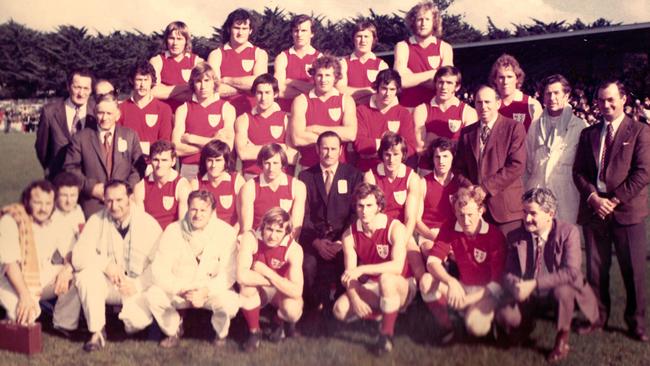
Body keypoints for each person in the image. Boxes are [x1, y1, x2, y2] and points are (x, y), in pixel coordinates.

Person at [572, 80, 650, 342]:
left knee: (634, 271)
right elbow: (579, 172)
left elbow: (643, 173)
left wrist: (614, 200)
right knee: (595, 269)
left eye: (610, 99)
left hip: (627, 211)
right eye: (601, 100)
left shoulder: (640, 131)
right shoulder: (589, 133)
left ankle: (636, 323)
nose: (605, 105)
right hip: (595, 211)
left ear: (624, 99)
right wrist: (594, 198)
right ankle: (597, 317)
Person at [497, 188, 599, 362]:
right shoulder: (515, 236)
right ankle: (525, 325)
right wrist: (516, 285)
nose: (527, 219)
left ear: (550, 214)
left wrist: (534, 284)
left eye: (533, 214)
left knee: (563, 291)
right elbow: (508, 272)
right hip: (528, 294)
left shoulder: (568, 232)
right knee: (506, 315)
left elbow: (572, 272)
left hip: (557, 291)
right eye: (525, 212)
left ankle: (562, 338)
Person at [71, 180, 161, 351]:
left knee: (134, 324)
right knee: (86, 275)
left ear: (130, 199)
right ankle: (96, 332)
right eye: (109, 200)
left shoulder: (147, 223)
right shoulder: (96, 220)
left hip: (137, 287)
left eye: (119, 200)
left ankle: (144, 320)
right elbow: (78, 256)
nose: (114, 206)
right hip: (110, 285)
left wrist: (137, 284)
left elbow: (159, 264)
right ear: (104, 200)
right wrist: (106, 265)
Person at [146, 190, 239, 348]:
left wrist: (206, 291)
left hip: (208, 291)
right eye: (193, 209)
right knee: (153, 295)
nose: (197, 215)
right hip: (182, 289)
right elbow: (159, 269)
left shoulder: (227, 233)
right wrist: (179, 288)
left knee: (229, 302)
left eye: (203, 210)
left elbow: (229, 274)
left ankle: (220, 334)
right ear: (187, 209)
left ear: (213, 212)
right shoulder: (173, 230)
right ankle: (174, 329)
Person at [332, 183, 414, 354]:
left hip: (401, 285)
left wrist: (362, 270)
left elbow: (397, 267)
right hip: (372, 285)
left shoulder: (395, 228)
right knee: (339, 310)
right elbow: (350, 275)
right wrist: (355, 299)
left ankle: (386, 335)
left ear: (379, 206)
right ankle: (384, 312)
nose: (364, 210)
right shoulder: (349, 235)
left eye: (369, 205)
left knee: (386, 279)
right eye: (360, 205)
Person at [419, 186, 505, 342]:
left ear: (481, 211)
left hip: (486, 292)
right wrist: (450, 281)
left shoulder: (494, 235)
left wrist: (467, 301)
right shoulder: (450, 227)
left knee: (475, 327)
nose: (465, 221)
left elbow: (496, 282)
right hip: (463, 287)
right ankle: (449, 326)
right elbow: (432, 262)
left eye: (470, 215)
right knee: (426, 281)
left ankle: (484, 319)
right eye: (461, 215)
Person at [0, 180, 81, 332]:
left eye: (48, 203)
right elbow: (10, 266)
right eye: (37, 203)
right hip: (9, 280)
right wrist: (24, 296)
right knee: (25, 317)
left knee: (76, 274)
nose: (43, 209)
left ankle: (63, 324)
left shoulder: (56, 220)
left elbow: (70, 253)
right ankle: (19, 309)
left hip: (40, 275)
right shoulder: (11, 221)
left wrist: (67, 270)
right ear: (27, 201)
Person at [298, 131, 363, 309]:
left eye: (333, 149)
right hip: (315, 238)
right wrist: (317, 242)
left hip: (343, 239)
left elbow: (356, 213)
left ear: (341, 150)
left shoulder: (353, 175)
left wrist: (342, 241)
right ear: (317, 149)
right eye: (325, 148)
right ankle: (313, 307)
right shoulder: (306, 177)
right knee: (307, 265)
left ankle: (340, 303)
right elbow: (303, 214)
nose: (329, 153)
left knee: (348, 263)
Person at [454, 85, 526, 237]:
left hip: (506, 211)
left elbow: (516, 166)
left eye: (488, 102)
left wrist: (485, 188)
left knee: (510, 259)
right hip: (476, 210)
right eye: (479, 102)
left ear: (498, 103)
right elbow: (458, 169)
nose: (483, 107)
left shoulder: (514, 128)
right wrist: (471, 188)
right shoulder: (468, 133)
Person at [64, 92, 145, 217]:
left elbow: (139, 168)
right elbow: (70, 169)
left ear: (117, 115)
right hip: (92, 205)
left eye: (109, 113)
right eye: (101, 113)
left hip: (123, 203)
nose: (104, 118)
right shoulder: (81, 138)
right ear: (95, 113)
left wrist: (124, 189)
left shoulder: (130, 136)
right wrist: (91, 188)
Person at [238, 207, 304, 351]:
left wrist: (266, 272)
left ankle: (278, 321)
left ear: (287, 233)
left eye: (279, 231)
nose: (272, 236)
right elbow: (241, 275)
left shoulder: (294, 249)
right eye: (269, 229)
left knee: (292, 310)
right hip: (263, 286)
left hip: (279, 290)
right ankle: (254, 332)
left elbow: (297, 291)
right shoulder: (251, 238)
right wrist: (275, 280)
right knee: (246, 288)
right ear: (262, 227)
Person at [525, 74, 587, 224]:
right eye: (548, 93)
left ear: (567, 95)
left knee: (565, 241)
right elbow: (526, 164)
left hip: (566, 197)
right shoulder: (535, 126)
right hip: (538, 195)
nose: (552, 98)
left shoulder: (580, 126)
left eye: (556, 93)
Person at [290, 55, 357, 168]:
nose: (323, 80)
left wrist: (315, 129)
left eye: (328, 75)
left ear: (335, 77)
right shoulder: (301, 101)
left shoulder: (346, 100)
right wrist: (334, 140)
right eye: (319, 75)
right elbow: (297, 138)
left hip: (339, 168)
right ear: (314, 77)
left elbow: (350, 134)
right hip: (309, 168)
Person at [172, 62, 235, 179]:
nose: (203, 86)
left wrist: (192, 139)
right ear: (192, 84)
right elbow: (176, 149)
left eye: (207, 81)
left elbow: (227, 146)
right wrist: (213, 143)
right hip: (190, 167)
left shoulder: (227, 108)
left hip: (217, 167)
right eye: (198, 81)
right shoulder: (183, 109)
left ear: (214, 82)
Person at [413, 66, 477, 174]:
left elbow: (468, 149)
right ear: (435, 84)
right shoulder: (421, 110)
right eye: (440, 82)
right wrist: (453, 144)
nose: (444, 87)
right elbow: (419, 149)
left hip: (455, 171)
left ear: (457, 87)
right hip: (427, 171)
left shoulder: (468, 112)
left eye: (449, 83)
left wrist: (433, 139)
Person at [235, 74, 298, 179]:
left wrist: (253, 150)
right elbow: (243, 153)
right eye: (259, 93)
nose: (263, 98)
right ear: (254, 94)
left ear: (276, 94)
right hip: (252, 177)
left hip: (281, 178)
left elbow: (292, 157)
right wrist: (279, 147)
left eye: (267, 93)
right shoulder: (243, 120)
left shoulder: (287, 119)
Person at [35, 69, 95, 180]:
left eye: (86, 88)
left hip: (89, 181)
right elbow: (41, 148)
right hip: (58, 179)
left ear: (91, 90)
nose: (81, 93)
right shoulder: (50, 112)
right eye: (77, 87)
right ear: (68, 86)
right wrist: (51, 169)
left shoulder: (97, 113)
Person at [207, 9, 269, 116]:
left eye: (244, 28)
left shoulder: (259, 53)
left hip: (252, 113)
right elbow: (213, 89)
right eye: (236, 28)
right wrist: (247, 88)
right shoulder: (216, 55)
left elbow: (260, 84)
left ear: (250, 30)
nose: (240, 32)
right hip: (223, 114)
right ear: (229, 29)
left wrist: (227, 80)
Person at [354, 69, 417, 172]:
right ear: (377, 88)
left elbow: (410, 148)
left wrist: (376, 147)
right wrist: (394, 147)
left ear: (397, 90)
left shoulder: (404, 113)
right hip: (368, 170)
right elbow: (360, 144)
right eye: (384, 88)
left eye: (392, 89)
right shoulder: (361, 111)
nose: (388, 93)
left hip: (394, 171)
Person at [393, 1, 453, 109]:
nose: (423, 23)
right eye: (419, 19)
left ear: (434, 22)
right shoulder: (402, 46)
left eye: (427, 19)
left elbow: (446, 83)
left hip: (435, 110)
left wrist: (411, 77)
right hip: (408, 109)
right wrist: (433, 74)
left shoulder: (445, 48)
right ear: (413, 22)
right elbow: (400, 81)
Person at [239, 144, 306, 237]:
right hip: (257, 240)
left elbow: (295, 229)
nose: (271, 168)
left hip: (284, 241)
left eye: (275, 163)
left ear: (282, 163)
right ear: (261, 163)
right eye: (267, 163)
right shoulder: (249, 187)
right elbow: (246, 229)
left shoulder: (297, 186)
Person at [119, 61, 173, 157]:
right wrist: (148, 146)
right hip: (127, 164)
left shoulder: (164, 109)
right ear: (132, 80)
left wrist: (133, 146)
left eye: (146, 80)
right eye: (139, 80)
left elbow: (164, 145)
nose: (142, 85)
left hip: (153, 165)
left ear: (152, 81)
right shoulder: (121, 108)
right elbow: (118, 143)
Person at [415, 137, 460, 252]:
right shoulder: (423, 183)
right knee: (434, 252)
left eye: (445, 156)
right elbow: (417, 221)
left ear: (453, 157)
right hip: (430, 235)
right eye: (437, 157)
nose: (441, 161)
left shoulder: (460, 183)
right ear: (433, 159)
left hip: (454, 233)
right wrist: (436, 238)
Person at [133, 140, 190, 229]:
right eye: (156, 160)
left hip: (173, 237)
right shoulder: (141, 186)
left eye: (164, 160)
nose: (159, 165)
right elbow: (140, 225)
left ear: (173, 161)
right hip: (150, 237)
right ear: (150, 160)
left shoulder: (182, 186)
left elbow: (184, 225)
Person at [190, 140, 245, 229]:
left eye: (218, 160)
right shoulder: (196, 183)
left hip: (231, 234)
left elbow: (242, 217)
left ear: (226, 162)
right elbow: (192, 216)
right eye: (210, 160)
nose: (213, 165)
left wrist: (231, 235)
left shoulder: (237, 181)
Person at [150, 21, 203, 112]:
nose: (175, 43)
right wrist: (187, 87)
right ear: (166, 40)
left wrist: (165, 89)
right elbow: (153, 92)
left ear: (186, 41)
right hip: (163, 113)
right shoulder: (157, 61)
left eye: (179, 39)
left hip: (190, 114)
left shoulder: (197, 62)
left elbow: (201, 94)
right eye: (171, 38)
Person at [274, 15, 322, 112]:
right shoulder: (282, 57)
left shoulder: (320, 58)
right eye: (296, 30)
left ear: (312, 33)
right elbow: (278, 90)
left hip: (311, 113)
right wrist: (310, 91)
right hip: (286, 113)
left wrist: (291, 82)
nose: (299, 34)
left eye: (304, 31)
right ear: (292, 33)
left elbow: (321, 90)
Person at [338, 21, 389, 105]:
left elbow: (386, 93)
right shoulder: (343, 63)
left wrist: (354, 94)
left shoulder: (382, 65)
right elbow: (341, 90)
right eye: (359, 36)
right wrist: (369, 91)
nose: (363, 40)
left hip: (374, 112)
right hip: (351, 112)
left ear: (373, 39)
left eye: (366, 36)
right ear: (353, 39)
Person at [489, 54, 542, 132]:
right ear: (494, 79)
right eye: (501, 77)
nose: (505, 82)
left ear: (517, 79)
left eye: (509, 77)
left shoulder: (531, 105)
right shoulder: (488, 106)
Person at [50, 172, 86, 258]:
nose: (69, 201)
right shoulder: (50, 214)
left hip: (76, 259)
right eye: (64, 195)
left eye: (73, 195)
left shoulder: (78, 211)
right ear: (56, 195)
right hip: (55, 261)